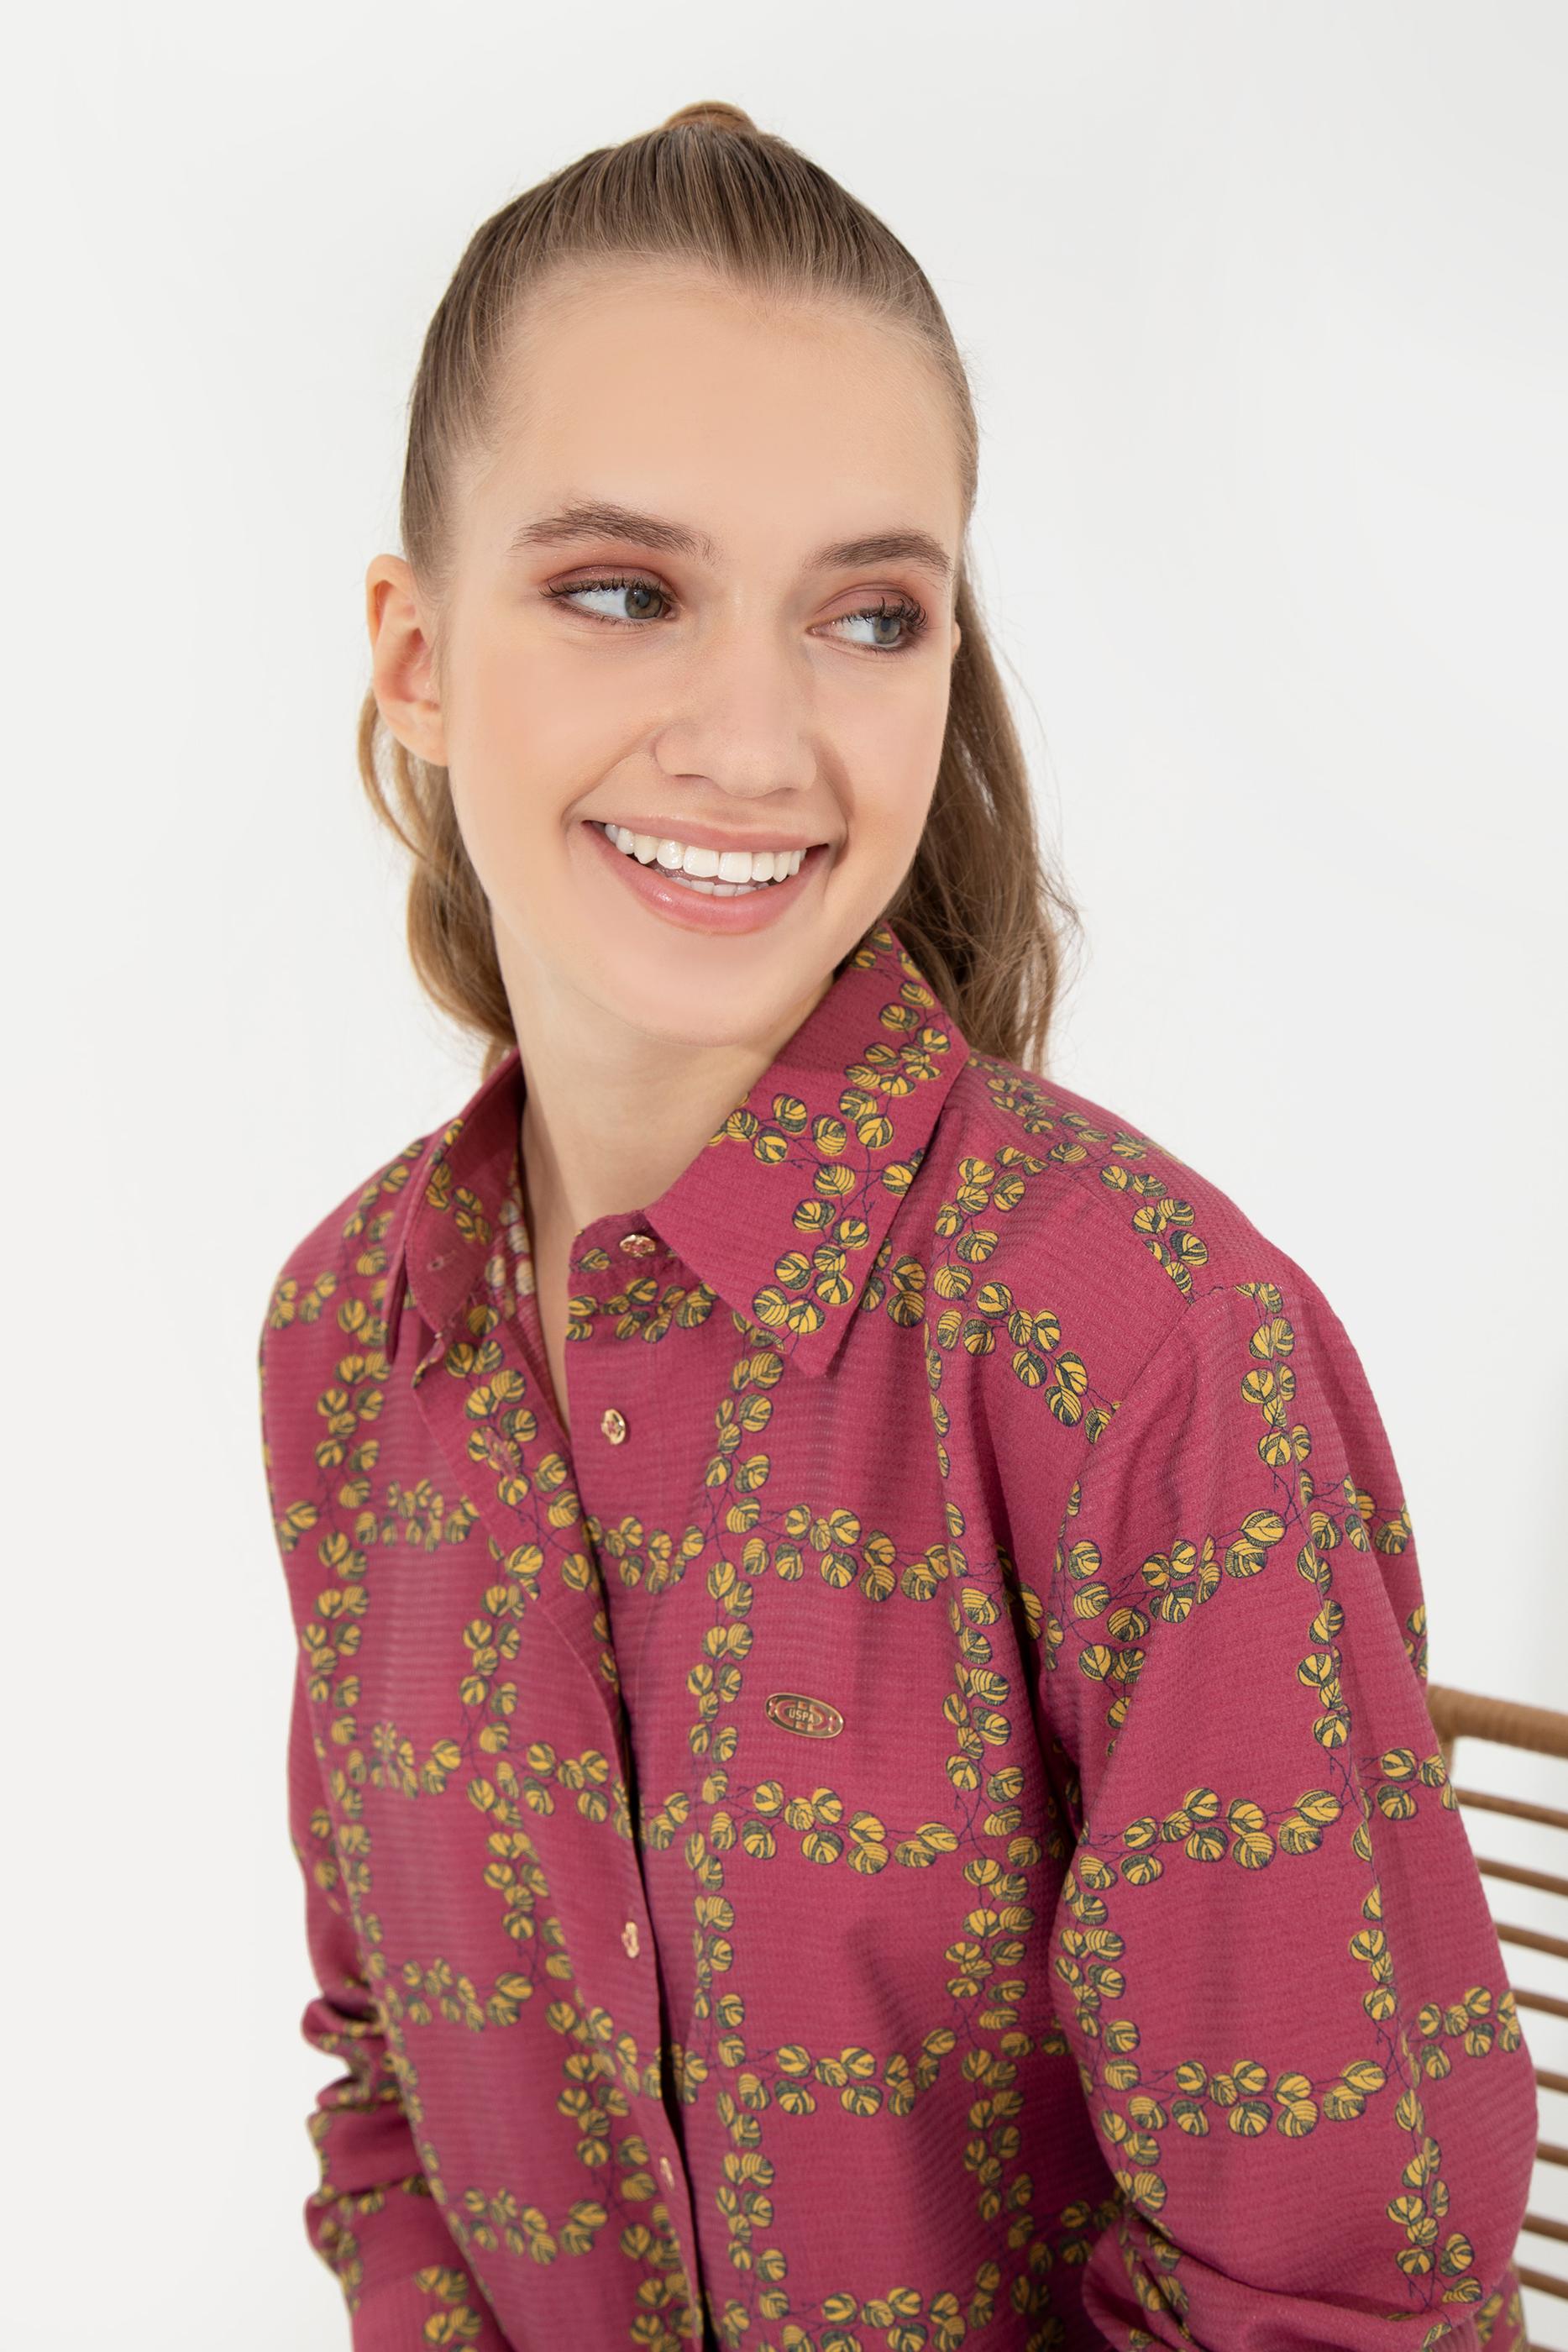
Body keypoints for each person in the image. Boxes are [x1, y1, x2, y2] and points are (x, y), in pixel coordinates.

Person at [256, 100, 1537, 2352]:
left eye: (866, 615)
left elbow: (1332, 2306)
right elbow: (393, 2097)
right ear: (416, 651)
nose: (758, 742)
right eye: (624, 592)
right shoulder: (349, 1331)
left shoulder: (1143, 1352)